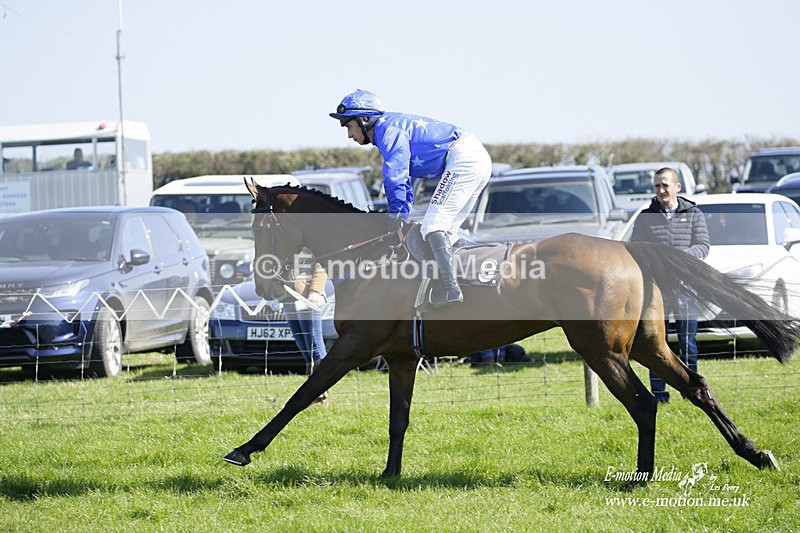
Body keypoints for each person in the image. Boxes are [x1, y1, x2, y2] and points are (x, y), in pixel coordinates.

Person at [330, 89, 492, 306]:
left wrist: (396, 216)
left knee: (433, 226)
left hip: (464, 158)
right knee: (447, 232)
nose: (349, 135)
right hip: (473, 157)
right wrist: (401, 215)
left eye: (349, 126)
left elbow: (394, 177)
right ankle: (467, 287)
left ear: (365, 119)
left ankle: (450, 290)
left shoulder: (387, 131)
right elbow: (402, 180)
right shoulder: (387, 130)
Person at [630, 167, 710, 403]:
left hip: (686, 287)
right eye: (657, 186)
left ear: (677, 187)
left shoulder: (694, 213)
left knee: (688, 342)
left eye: (665, 185)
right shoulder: (645, 216)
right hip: (656, 290)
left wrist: (681, 257)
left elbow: (703, 246)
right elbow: (636, 247)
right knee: (655, 343)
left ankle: (691, 391)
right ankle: (659, 394)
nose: (661, 190)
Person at [284, 252, 329, 372]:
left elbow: (322, 265)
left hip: (307, 295)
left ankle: (323, 379)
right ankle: (313, 379)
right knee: (301, 339)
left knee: (313, 341)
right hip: (287, 296)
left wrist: (315, 290)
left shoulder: (312, 238)